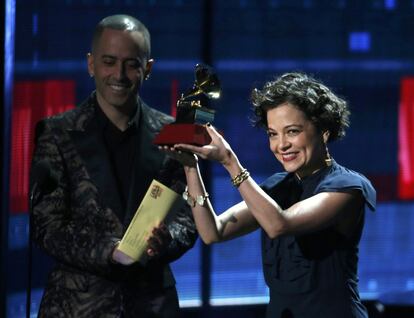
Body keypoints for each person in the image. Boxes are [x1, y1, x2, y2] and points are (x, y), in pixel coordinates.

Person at [165, 72, 376, 318]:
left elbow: (279, 224)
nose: (281, 144)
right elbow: (214, 232)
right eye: (273, 134)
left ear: (324, 130)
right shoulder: (276, 187)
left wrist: (230, 162)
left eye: (292, 131)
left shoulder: (348, 187)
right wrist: (191, 167)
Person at [29, 15, 197, 318]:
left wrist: (167, 239)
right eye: (109, 61)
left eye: (131, 64)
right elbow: (46, 227)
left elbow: (189, 216)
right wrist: (109, 251)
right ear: (91, 64)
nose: (119, 74)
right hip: (77, 307)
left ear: (148, 69)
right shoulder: (56, 133)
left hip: (152, 305)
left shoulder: (172, 133)